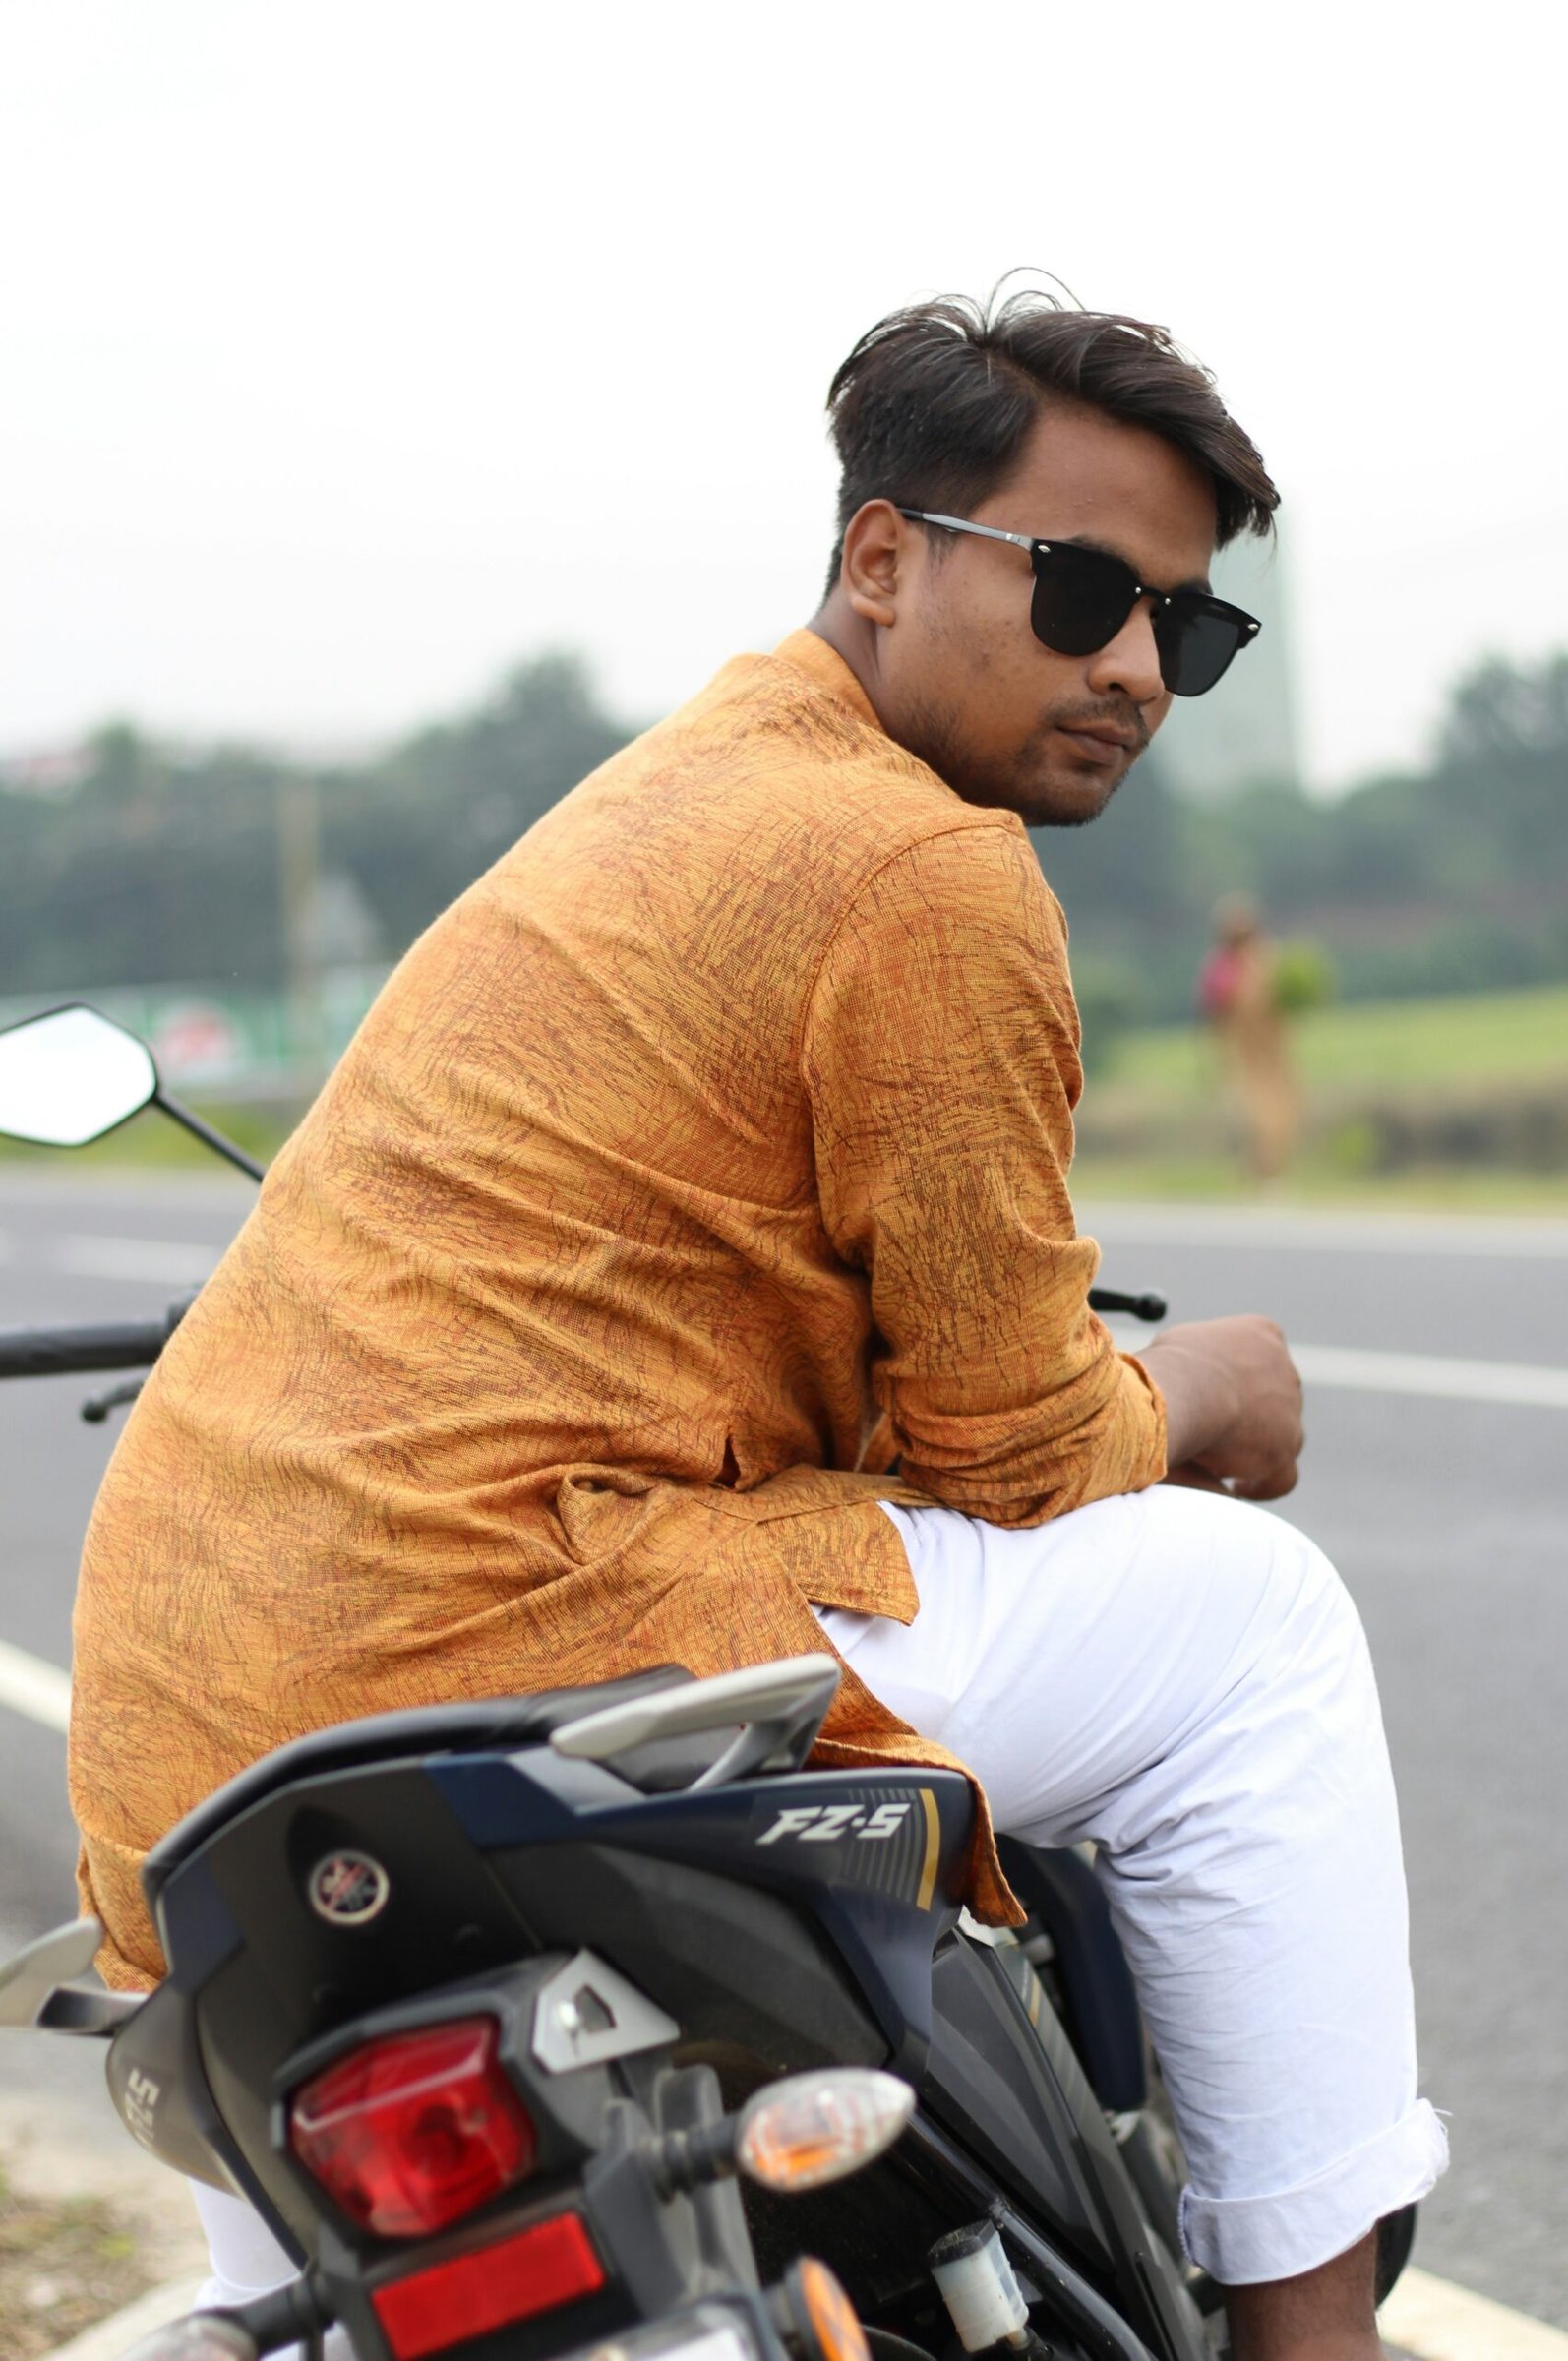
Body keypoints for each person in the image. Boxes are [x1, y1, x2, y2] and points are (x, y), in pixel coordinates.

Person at [71, 287, 1445, 2361]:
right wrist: (1195, 1392)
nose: (1136, 670)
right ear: (879, 558)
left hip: (189, 1747)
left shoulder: (661, 795)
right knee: (1253, 1629)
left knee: (292, 2290)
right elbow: (1009, 1437)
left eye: (1191, 627)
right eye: (1083, 588)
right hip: (528, 1632)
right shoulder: (923, 867)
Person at [1198, 895, 1301, 1180]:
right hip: (1255, 1051)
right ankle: (1265, 1167)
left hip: (1260, 1051)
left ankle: (1267, 1167)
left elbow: (1214, 1013)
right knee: (1267, 1109)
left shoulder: (1230, 966)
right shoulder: (1263, 961)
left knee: (1267, 1108)